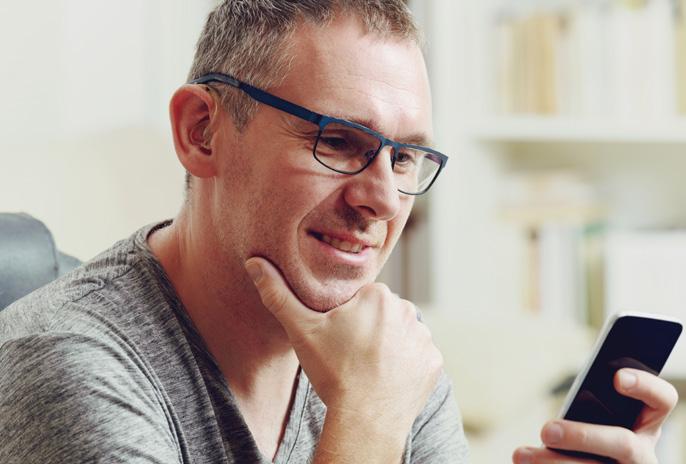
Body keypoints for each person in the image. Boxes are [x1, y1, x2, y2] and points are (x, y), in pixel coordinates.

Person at [0, 1, 677, 463]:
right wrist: (367, 417)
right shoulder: (65, 368)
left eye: (404, 157)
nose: (382, 200)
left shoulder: (388, 351)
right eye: (338, 141)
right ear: (202, 132)